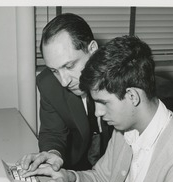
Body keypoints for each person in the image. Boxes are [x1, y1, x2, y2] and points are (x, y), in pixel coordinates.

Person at [1, 36, 173, 182]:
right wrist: (68, 177)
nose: (97, 113)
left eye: (103, 102)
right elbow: (101, 180)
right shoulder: (126, 129)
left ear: (132, 96)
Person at [18, 13, 113, 173]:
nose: (64, 81)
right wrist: (52, 154)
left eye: (69, 66)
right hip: (77, 168)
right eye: (54, 70)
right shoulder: (48, 84)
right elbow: (53, 132)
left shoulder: (124, 79)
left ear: (92, 50)